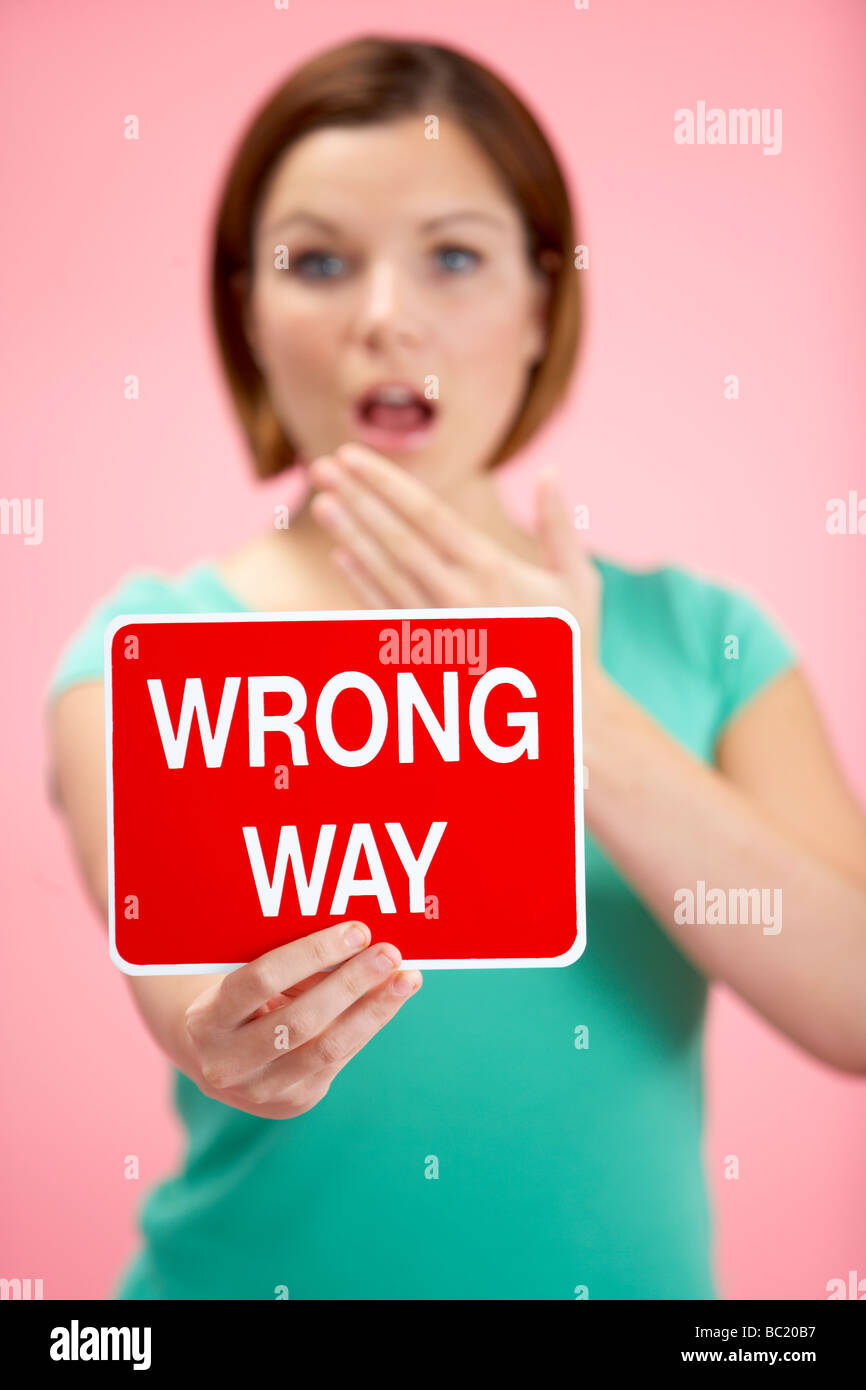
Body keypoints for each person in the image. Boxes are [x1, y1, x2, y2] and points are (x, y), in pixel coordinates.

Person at [45, 36, 866, 1301]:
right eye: (316, 262)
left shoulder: (712, 642)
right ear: (247, 314)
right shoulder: (144, 652)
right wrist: (229, 1045)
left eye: (454, 255)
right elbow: (188, 989)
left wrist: (568, 707)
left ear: (542, 303)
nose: (385, 315)